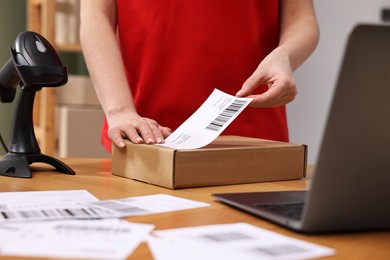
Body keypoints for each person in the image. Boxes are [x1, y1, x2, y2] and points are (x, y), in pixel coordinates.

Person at [80, 0, 319, 152]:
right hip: (147, 137)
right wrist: (120, 111)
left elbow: (301, 16)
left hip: (255, 136)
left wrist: (285, 55)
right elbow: (96, 14)